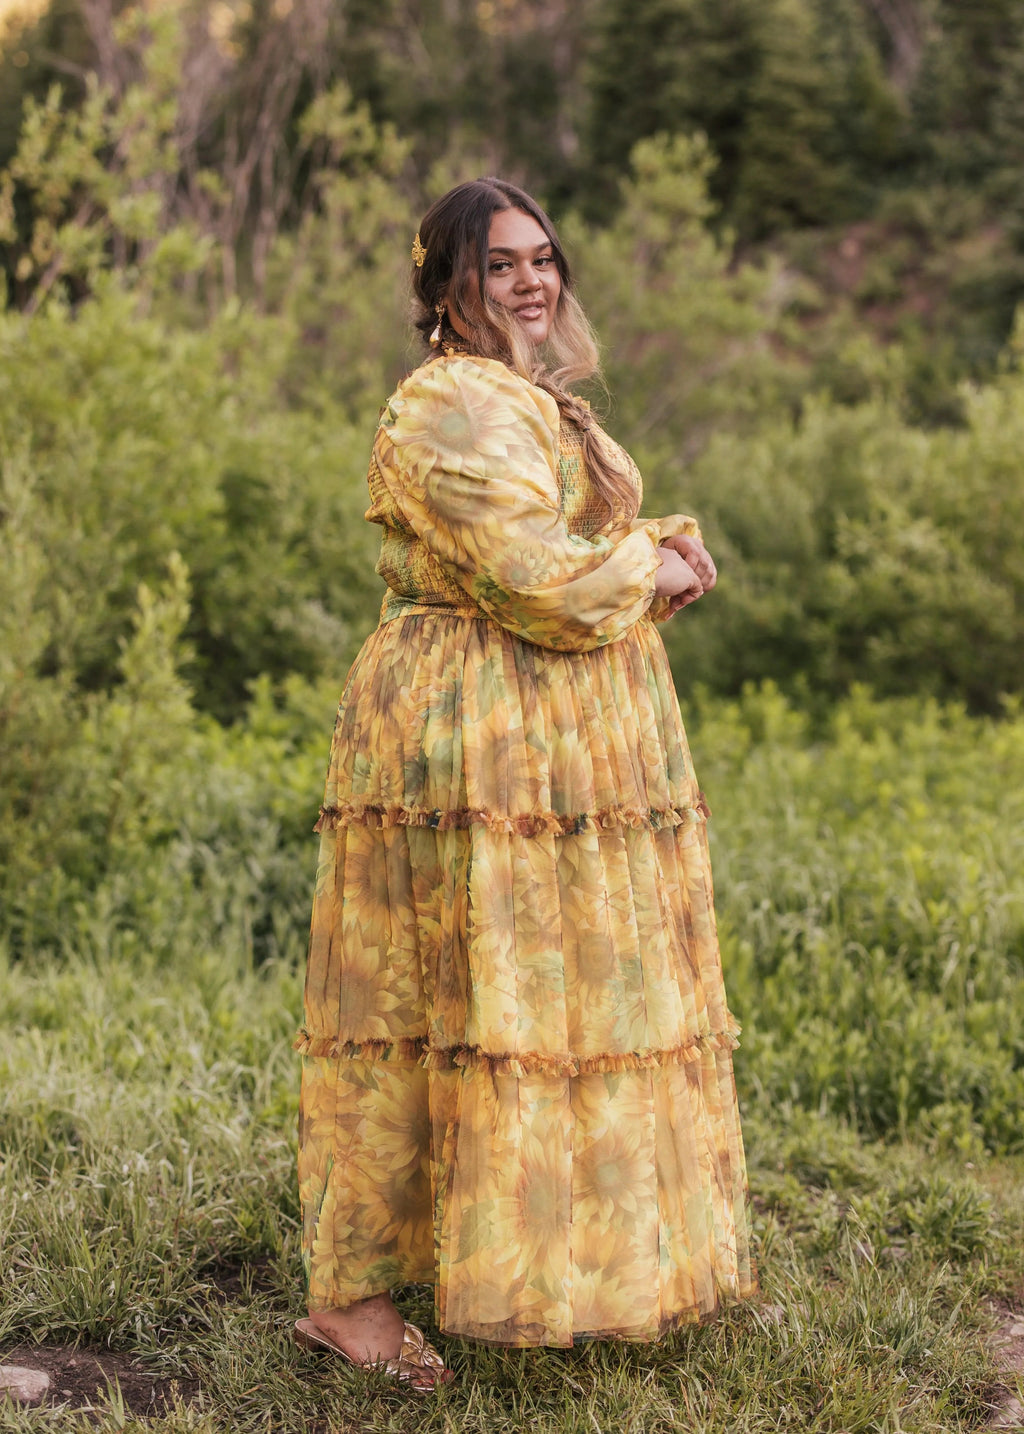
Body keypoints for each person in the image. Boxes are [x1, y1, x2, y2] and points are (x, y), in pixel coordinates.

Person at [292, 178, 756, 1392]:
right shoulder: (448, 399)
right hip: (468, 732)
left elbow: (568, 544)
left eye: (542, 259)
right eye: (500, 266)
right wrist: (639, 562)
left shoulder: (528, 398)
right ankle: (349, 1301)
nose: (532, 282)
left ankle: (552, 1259)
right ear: (446, 286)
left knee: (545, 999)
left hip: (545, 729)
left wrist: (665, 545)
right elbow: (533, 575)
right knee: (435, 994)